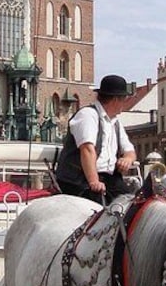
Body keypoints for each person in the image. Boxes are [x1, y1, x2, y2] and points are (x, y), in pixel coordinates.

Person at [55, 74, 137, 205]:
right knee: (101, 213)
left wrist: (127, 159)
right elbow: (87, 149)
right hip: (79, 180)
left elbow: (130, 150)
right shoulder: (88, 115)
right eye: (124, 99)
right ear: (116, 99)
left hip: (109, 179)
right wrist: (94, 181)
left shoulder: (115, 122)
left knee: (134, 206)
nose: (125, 103)